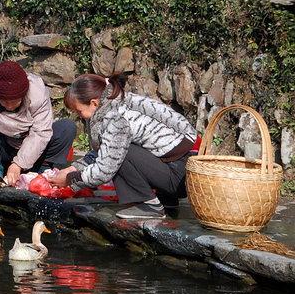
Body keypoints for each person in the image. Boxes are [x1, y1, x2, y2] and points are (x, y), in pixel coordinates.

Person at [49, 72, 198, 220]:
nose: (79, 115)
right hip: (175, 168)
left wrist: (71, 179)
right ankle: (166, 199)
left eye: (79, 111)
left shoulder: (116, 119)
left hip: (180, 177)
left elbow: (105, 168)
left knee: (120, 154)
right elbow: (104, 149)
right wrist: (74, 168)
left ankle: (150, 205)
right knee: (118, 150)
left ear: (94, 103)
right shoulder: (113, 103)